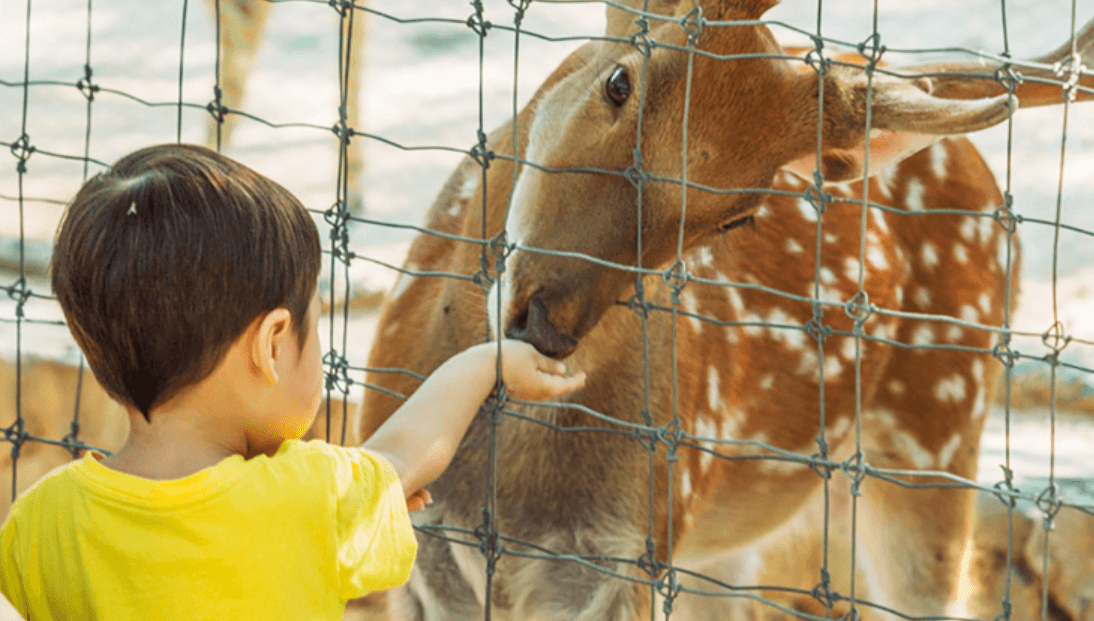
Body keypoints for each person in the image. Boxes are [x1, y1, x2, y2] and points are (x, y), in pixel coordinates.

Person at [0, 143, 585, 620]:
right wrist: (484, 365)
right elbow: (407, 452)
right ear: (272, 345)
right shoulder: (309, 497)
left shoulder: (43, 519)